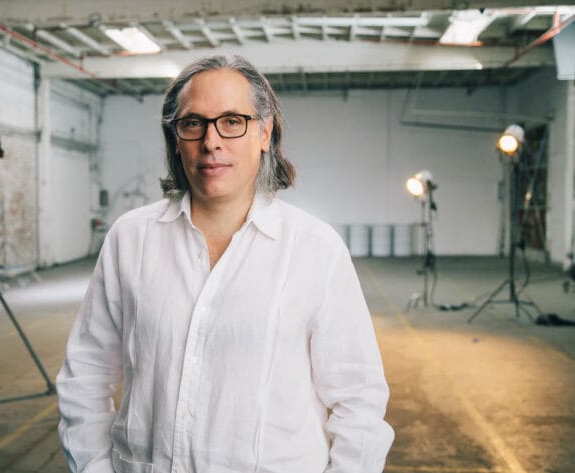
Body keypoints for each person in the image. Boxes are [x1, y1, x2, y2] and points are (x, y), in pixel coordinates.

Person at [56, 54, 394, 473]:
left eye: (232, 121)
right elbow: (85, 374)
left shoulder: (315, 250)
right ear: (175, 138)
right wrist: (93, 467)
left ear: (265, 132)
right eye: (193, 123)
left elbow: (357, 400)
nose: (211, 141)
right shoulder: (131, 239)